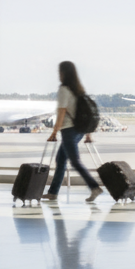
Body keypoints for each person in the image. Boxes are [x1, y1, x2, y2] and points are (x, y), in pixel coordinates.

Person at [43, 61, 103, 204]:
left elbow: (62, 112)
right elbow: (84, 113)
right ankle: (52, 193)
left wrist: (54, 132)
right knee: (61, 159)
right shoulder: (78, 90)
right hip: (79, 131)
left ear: (63, 73)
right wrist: (88, 134)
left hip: (69, 130)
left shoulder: (64, 89)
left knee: (75, 161)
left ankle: (94, 186)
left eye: (60, 72)